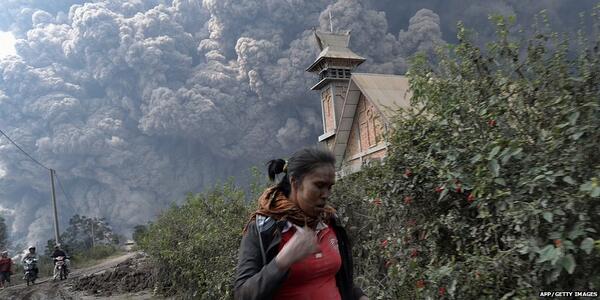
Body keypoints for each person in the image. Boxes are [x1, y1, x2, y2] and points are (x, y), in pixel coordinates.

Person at [234, 148, 369, 300]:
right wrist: (283, 260)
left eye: (329, 187)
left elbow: (338, 279)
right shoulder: (264, 228)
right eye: (319, 185)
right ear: (295, 182)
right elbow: (242, 294)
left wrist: (360, 296)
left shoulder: (329, 221)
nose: (326, 195)